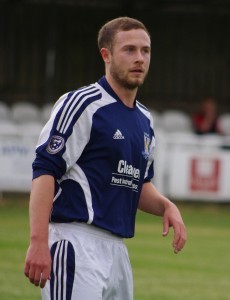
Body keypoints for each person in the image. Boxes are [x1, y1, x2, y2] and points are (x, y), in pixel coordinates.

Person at [24, 17, 186, 300]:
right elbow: (44, 170)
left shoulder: (145, 120)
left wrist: (165, 206)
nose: (139, 58)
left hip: (117, 252)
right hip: (75, 242)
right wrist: (38, 241)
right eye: (129, 50)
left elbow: (138, 184)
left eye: (145, 51)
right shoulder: (83, 104)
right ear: (106, 55)